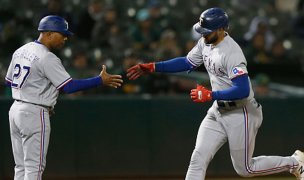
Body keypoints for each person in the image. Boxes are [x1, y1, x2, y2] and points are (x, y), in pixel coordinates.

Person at [126, 7, 304, 179]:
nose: (203, 34)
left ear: (220, 29)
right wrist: (153, 67)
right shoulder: (205, 42)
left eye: (207, 30)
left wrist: (211, 95)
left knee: (246, 169)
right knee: (198, 158)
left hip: (241, 112)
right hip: (218, 110)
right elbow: (187, 62)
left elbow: (242, 90)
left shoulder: (232, 53)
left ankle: (295, 163)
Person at [4, 15, 123, 180]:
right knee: (34, 167)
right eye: (62, 34)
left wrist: (40, 97)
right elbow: (69, 87)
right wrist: (99, 80)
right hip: (34, 112)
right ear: (49, 33)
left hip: (15, 111)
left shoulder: (21, 50)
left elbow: (9, 82)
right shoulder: (47, 57)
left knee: (21, 166)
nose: (65, 38)